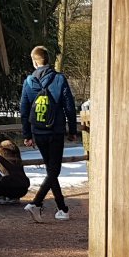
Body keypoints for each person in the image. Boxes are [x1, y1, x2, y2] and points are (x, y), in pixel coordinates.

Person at [20, 45, 78, 222]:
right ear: (48, 60)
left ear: (34, 61)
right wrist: (73, 130)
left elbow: (24, 109)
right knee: (54, 170)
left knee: (51, 170)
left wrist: (27, 134)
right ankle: (36, 203)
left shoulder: (29, 81)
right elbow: (69, 106)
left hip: (39, 131)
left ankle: (63, 209)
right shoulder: (59, 79)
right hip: (56, 130)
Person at [0, 133, 30, 201]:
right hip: (23, 189)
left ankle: (2, 196)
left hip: (11, 188)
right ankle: (13, 197)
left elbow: (0, 166)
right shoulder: (14, 150)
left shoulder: (1, 149)